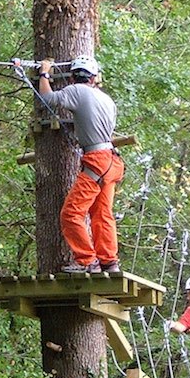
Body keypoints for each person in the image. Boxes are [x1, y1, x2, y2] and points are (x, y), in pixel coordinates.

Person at [38, 55, 125, 274]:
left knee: (71, 213)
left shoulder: (77, 90)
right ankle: (109, 262)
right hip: (111, 160)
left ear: (75, 76)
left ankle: (88, 261)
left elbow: (47, 98)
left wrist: (44, 73)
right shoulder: (107, 100)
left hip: (97, 161)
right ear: (93, 77)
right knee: (102, 213)